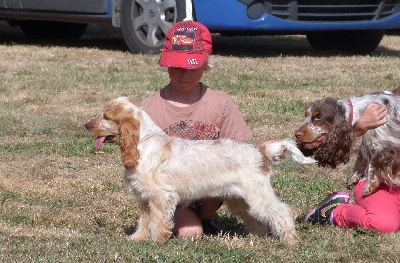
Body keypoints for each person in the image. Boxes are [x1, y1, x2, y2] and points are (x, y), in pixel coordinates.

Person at [141, 20, 253, 237]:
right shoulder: (150, 107)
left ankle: (208, 218)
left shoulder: (220, 102)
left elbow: (238, 151)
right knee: (190, 232)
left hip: (213, 184)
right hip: (174, 189)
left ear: (206, 64)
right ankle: (180, 217)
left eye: (192, 66)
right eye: (177, 66)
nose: (184, 74)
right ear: (165, 63)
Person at [306, 103, 400, 233]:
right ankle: (335, 211)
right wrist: (359, 129)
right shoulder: (383, 110)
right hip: (378, 181)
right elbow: (328, 151)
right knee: (383, 223)